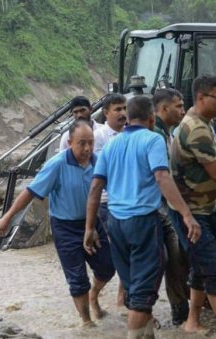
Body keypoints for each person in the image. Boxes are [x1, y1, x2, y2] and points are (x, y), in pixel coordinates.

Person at [84, 96, 200, 339]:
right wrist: (186, 214)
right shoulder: (152, 139)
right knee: (142, 296)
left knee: (135, 290)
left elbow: (95, 187)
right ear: (151, 118)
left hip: (114, 223)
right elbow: (162, 178)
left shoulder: (112, 145)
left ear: (128, 118)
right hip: (143, 222)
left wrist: (89, 227)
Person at [0, 120, 115, 326]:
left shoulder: (97, 162)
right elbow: (31, 192)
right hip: (65, 227)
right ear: (70, 143)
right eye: (82, 143)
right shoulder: (57, 164)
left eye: (91, 143)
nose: (87, 148)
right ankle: (87, 322)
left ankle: (94, 296)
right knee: (78, 279)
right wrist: (7, 217)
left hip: (92, 223)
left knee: (108, 267)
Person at [169, 75, 216, 339]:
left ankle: (192, 322)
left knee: (200, 268)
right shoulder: (197, 128)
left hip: (204, 206)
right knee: (214, 269)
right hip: (192, 213)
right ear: (200, 97)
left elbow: (205, 171)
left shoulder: (202, 122)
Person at [152, 88, 190, 326]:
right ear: (163, 109)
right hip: (159, 207)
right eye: (178, 106)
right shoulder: (155, 135)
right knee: (171, 256)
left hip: (164, 205)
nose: (182, 110)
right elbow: (162, 178)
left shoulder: (168, 133)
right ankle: (177, 308)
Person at [91, 93, 128, 313]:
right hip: (106, 203)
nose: (123, 113)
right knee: (112, 256)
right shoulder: (100, 136)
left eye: (124, 108)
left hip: (125, 201)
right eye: (117, 109)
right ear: (106, 113)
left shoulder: (130, 134)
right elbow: (99, 171)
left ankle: (121, 299)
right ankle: (94, 296)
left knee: (127, 250)